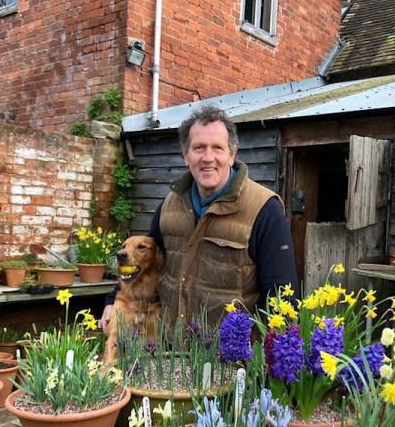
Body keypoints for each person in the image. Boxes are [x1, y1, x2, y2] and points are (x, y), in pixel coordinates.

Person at [101, 105, 297, 334]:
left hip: (232, 358)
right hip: (170, 351)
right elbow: (141, 260)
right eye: (199, 148)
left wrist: (270, 359)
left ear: (232, 155)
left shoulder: (264, 209)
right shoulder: (169, 205)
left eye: (217, 148)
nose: (208, 158)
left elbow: (282, 296)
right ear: (186, 155)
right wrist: (111, 300)